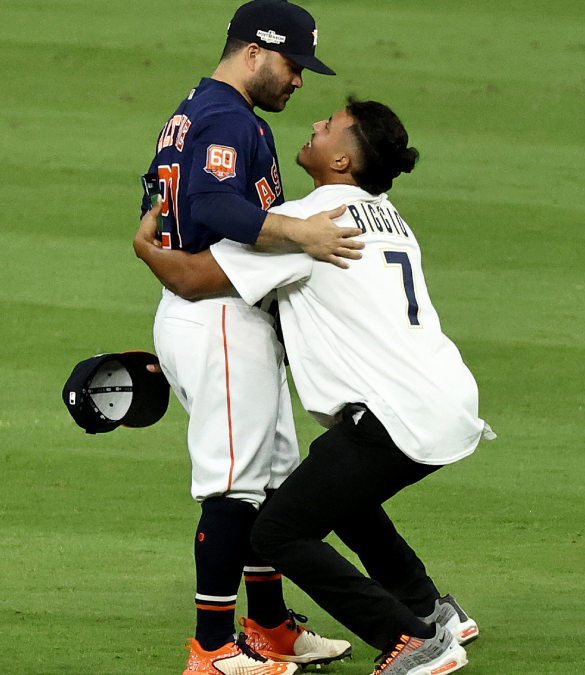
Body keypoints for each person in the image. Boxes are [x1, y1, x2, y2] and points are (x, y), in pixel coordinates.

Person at [134, 98, 495, 675]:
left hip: (396, 413)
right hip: (446, 399)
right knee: (335, 495)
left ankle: (411, 639)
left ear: (345, 160)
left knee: (278, 531)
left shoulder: (309, 225)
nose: (315, 126)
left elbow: (191, 279)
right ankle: (432, 610)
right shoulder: (386, 215)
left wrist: (145, 245)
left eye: (329, 127)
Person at [139, 1, 358, 673]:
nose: (298, 81)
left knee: (269, 479)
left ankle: (267, 625)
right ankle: (211, 647)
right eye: (293, 65)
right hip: (217, 312)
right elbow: (208, 206)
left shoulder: (199, 111)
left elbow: (157, 196)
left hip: (228, 313)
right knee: (234, 481)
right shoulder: (228, 117)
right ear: (255, 52)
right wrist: (301, 233)